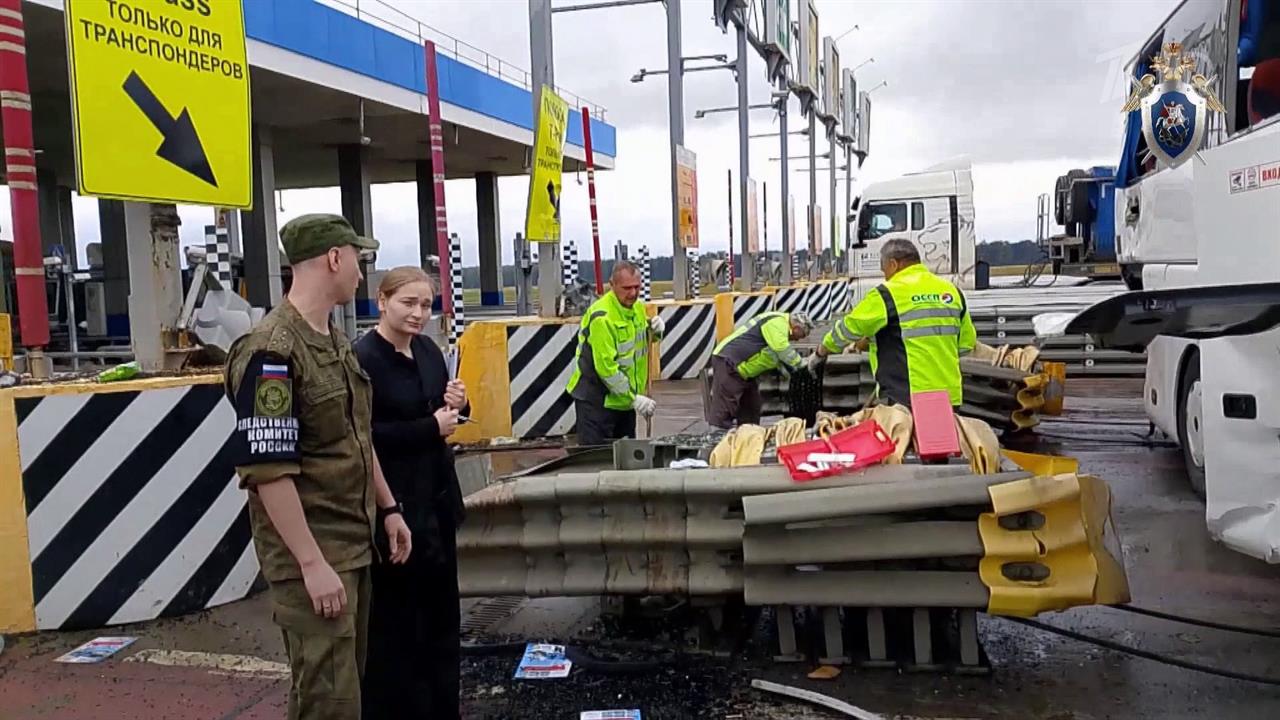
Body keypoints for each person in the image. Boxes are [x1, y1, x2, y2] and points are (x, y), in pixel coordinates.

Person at [223, 214, 412, 720]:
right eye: (357, 259)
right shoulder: (272, 352)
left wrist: (388, 507)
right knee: (330, 704)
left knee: (338, 694)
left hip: (351, 546)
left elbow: (356, 437)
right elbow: (268, 472)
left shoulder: (331, 340)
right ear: (334, 258)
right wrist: (311, 564)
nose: (360, 272)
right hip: (315, 555)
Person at [354, 266, 468, 720]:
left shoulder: (427, 351)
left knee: (443, 620)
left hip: (437, 502)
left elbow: (442, 413)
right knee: (400, 625)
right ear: (382, 301)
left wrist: (459, 404)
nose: (419, 314)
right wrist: (429, 428)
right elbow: (363, 436)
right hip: (395, 507)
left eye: (426, 304)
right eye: (408, 303)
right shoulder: (364, 359)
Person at [809, 238, 977, 407]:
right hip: (949, 397)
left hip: (907, 397)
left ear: (893, 264)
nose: (885, 276)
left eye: (884, 270)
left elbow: (847, 329)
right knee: (940, 434)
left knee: (901, 434)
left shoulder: (887, 294)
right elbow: (965, 345)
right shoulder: (952, 292)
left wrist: (820, 352)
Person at [566, 260, 663, 444]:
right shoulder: (602, 317)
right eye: (627, 288)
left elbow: (641, 343)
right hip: (597, 403)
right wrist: (633, 399)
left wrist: (655, 332)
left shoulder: (637, 308)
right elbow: (607, 369)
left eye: (637, 287)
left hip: (624, 402)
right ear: (613, 285)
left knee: (626, 461)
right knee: (597, 461)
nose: (633, 293)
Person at [708, 311, 814, 428]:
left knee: (751, 406)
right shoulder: (777, 323)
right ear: (797, 328)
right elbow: (782, 348)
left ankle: (749, 436)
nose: (797, 340)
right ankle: (716, 438)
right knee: (725, 406)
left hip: (745, 371)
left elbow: (777, 358)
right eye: (801, 336)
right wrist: (801, 364)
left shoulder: (778, 328)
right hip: (729, 360)